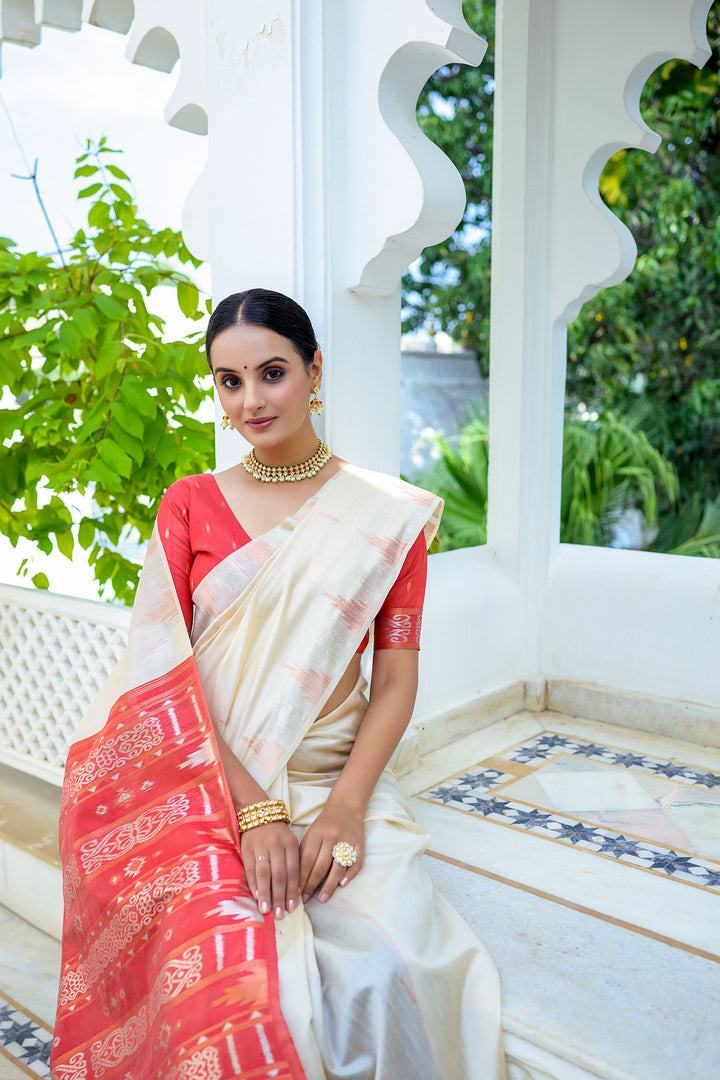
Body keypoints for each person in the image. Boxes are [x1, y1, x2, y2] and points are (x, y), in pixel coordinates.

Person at [52, 289, 504, 1080]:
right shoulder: (188, 506)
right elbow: (169, 679)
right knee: (219, 994)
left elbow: (396, 678)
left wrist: (347, 808)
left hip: (336, 771)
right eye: (229, 381)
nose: (251, 400)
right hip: (208, 778)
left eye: (271, 373)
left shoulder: (384, 516)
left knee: (399, 966)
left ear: (314, 370)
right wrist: (253, 807)